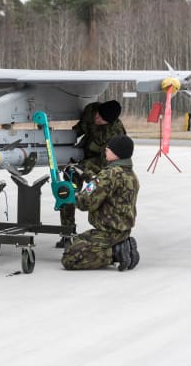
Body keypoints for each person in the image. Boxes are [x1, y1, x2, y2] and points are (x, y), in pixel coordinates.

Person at [61, 135, 140, 271]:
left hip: (108, 232)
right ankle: (122, 244)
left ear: (117, 154)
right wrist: (87, 175)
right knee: (78, 241)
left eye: (109, 149)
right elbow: (103, 186)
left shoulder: (109, 175)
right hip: (121, 230)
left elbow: (86, 202)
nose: (105, 150)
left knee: (69, 258)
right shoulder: (130, 174)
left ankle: (116, 252)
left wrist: (72, 195)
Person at [58, 100, 127, 247]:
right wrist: (61, 147)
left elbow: (106, 162)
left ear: (109, 121)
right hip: (81, 154)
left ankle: (104, 233)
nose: (97, 119)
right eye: (98, 115)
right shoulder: (91, 111)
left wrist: (83, 168)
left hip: (99, 161)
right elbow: (77, 131)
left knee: (99, 195)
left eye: (102, 119)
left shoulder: (116, 133)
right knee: (67, 188)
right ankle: (67, 232)